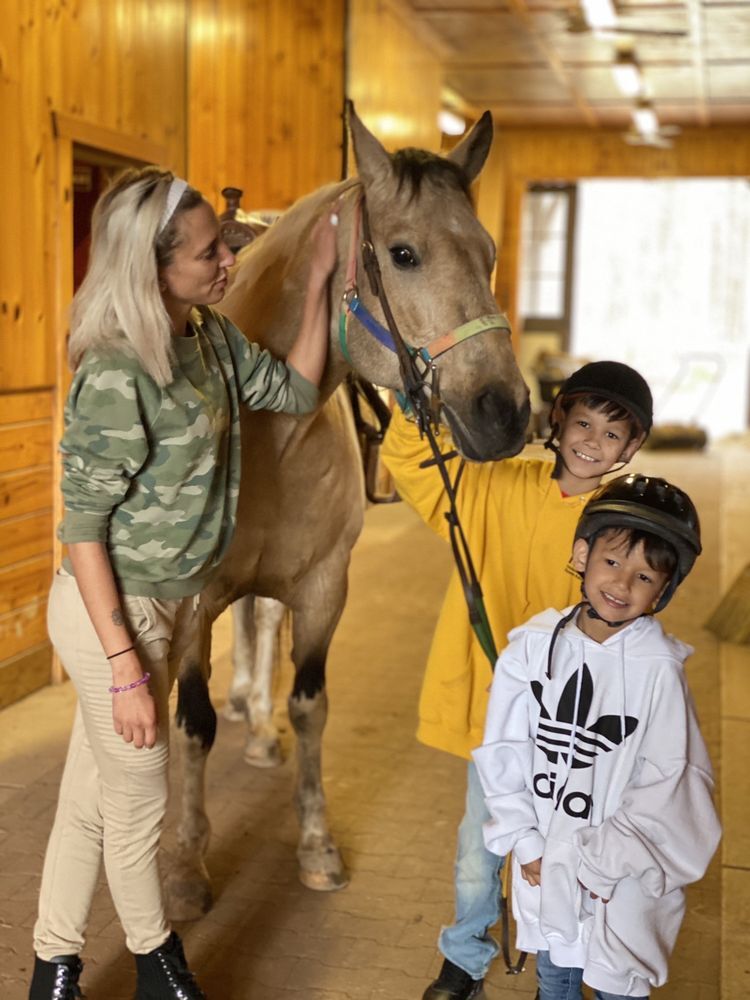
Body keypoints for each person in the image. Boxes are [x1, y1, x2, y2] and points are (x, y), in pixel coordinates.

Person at [29, 167, 340, 1000]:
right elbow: (83, 531)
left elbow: (297, 389)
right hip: (112, 616)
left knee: (91, 804)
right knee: (138, 813)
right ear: (152, 265)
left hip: (171, 602)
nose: (226, 263)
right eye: (207, 254)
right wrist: (126, 666)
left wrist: (314, 286)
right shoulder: (114, 373)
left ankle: (52, 966)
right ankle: (162, 973)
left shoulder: (207, 336)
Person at [381, 360, 653, 1000]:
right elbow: (418, 464)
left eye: (612, 434)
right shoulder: (494, 483)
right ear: (556, 423)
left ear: (633, 446)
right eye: (582, 422)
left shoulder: (625, 524)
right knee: (481, 850)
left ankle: (564, 962)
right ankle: (464, 958)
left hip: (576, 724)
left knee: (571, 851)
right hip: (495, 714)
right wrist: (408, 401)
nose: (592, 441)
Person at [473, 474, 721, 999]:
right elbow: (503, 751)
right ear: (583, 554)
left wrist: (600, 864)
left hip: (617, 881)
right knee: (555, 976)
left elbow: (672, 783)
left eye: (645, 576)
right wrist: (524, 837)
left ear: (666, 588)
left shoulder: (658, 671)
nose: (623, 585)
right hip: (545, 861)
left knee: (615, 981)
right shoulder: (534, 649)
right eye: (613, 562)